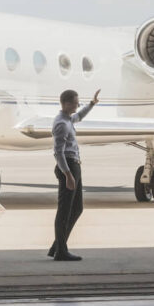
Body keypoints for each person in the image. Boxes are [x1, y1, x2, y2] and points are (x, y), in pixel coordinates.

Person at [48, 88, 100, 262]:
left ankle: (57, 246)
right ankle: (61, 251)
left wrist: (91, 104)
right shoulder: (61, 124)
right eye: (76, 103)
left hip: (74, 165)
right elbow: (58, 153)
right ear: (67, 103)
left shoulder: (69, 119)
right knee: (64, 211)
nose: (78, 105)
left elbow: (80, 117)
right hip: (68, 166)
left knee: (77, 208)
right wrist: (68, 175)